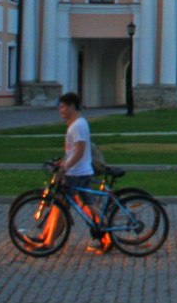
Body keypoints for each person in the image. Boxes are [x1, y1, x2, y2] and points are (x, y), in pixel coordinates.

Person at [57, 92, 112, 253]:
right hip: (76, 171)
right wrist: (62, 162)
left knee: (90, 205)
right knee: (82, 204)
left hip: (79, 173)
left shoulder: (78, 125)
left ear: (71, 106)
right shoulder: (76, 124)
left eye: (62, 107)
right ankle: (49, 238)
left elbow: (80, 151)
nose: (60, 110)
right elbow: (73, 150)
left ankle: (107, 233)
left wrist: (65, 167)